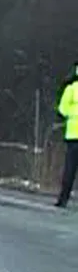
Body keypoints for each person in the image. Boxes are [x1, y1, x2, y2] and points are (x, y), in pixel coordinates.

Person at [54, 63, 78, 207]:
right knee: (69, 169)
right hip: (73, 137)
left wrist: (72, 114)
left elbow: (62, 110)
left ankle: (63, 199)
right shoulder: (70, 88)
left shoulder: (70, 88)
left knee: (70, 169)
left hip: (73, 137)